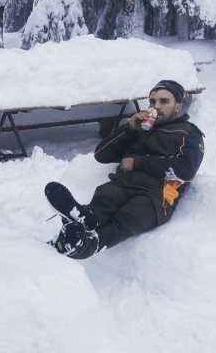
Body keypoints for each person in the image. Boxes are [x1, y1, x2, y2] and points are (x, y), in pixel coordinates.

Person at [45, 80, 204, 259]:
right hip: (124, 183)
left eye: (164, 101)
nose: (156, 106)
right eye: (152, 102)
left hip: (157, 194)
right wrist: (128, 128)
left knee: (133, 214)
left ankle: (91, 244)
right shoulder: (142, 127)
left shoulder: (190, 134)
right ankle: (83, 218)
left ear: (178, 107)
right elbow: (101, 155)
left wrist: (138, 163)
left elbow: (185, 170)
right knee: (108, 195)